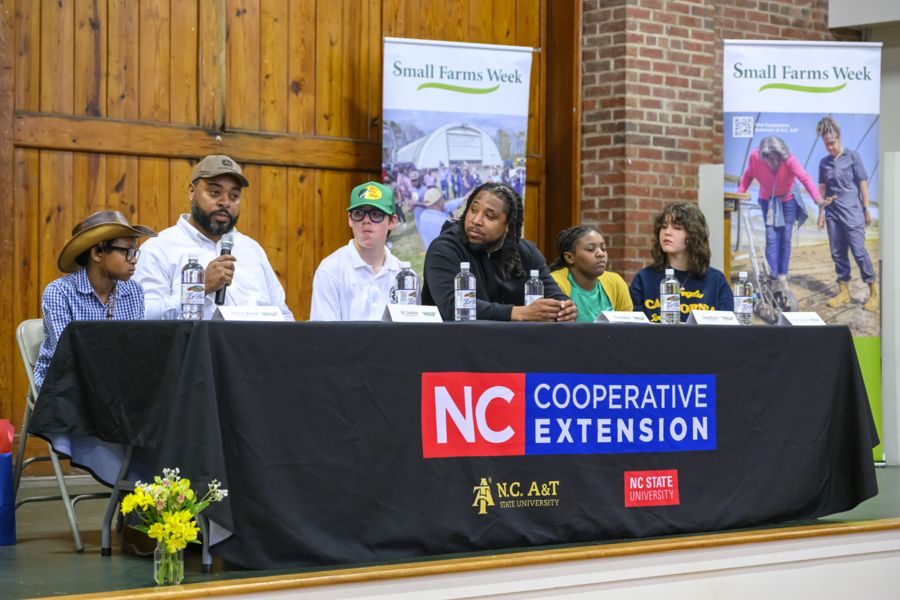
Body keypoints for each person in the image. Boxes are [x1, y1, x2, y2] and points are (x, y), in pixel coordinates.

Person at [134, 154, 294, 320]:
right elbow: (143, 316)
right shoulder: (158, 248)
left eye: (234, 196)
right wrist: (199, 288)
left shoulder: (252, 249)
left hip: (256, 344)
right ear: (191, 191)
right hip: (195, 346)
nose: (225, 202)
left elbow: (283, 314)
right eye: (214, 192)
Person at [33, 210, 156, 389]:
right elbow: (69, 356)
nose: (134, 260)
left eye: (136, 252)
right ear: (97, 253)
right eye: (127, 252)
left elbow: (136, 349)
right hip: (66, 386)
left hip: (116, 386)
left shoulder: (134, 291)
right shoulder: (60, 291)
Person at [422, 182, 577, 322]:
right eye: (473, 210)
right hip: (456, 347)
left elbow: (555, 295)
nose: (476, 220)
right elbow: (451, 306)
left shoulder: (526, 252)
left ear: (508, 226)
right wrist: (519, 313)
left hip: (514, 348)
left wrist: (565, 308)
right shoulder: (444, 248)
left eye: (489, 216)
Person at [737, 136, 823, 287]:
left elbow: (805, 178)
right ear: (764, 156)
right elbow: (748, 175)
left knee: (785, 238)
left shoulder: (789, 159)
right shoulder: (755, 157)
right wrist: (739, 193)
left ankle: (782, 275)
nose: (776, 163)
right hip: (768, 200)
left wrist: (818, 200)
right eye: (771, 159)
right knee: (771, 238)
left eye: (779, 159)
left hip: (788, 199)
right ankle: (773, 276)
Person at [310, 181, 401, 321]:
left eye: (376, 214)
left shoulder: (403, 274)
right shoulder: (330, 270)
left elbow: (411, 335)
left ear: (392, 221)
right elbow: (324, 337)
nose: (366, 220)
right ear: (350, 219)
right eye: (359, 213)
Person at [629, 202, 733, 323]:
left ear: (694, 235)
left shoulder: (716, 280)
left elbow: (728, 329)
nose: (667, 232)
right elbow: (634, 330)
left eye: (677, 228)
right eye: (663, 226)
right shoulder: (644, 279)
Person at [816, 115, 878, 312]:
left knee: (859, 251)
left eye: (832, 143)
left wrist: (866, 209)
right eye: (826, 144)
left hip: (852, 209)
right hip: (832, 211)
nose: (830, 148)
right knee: (837, 252)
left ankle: (873, 292)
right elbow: (822, 187)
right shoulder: (824, 162)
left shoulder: (852, 157)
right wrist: (821, 211)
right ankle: (844, 292)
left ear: (839, 138)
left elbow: (862, 183)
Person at [549, 225, 632, 322]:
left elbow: (628, 326)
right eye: (590, 249)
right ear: (570, 257)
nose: (600, 254)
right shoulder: (554, 283)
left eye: (603, 248)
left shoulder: (615, 282)